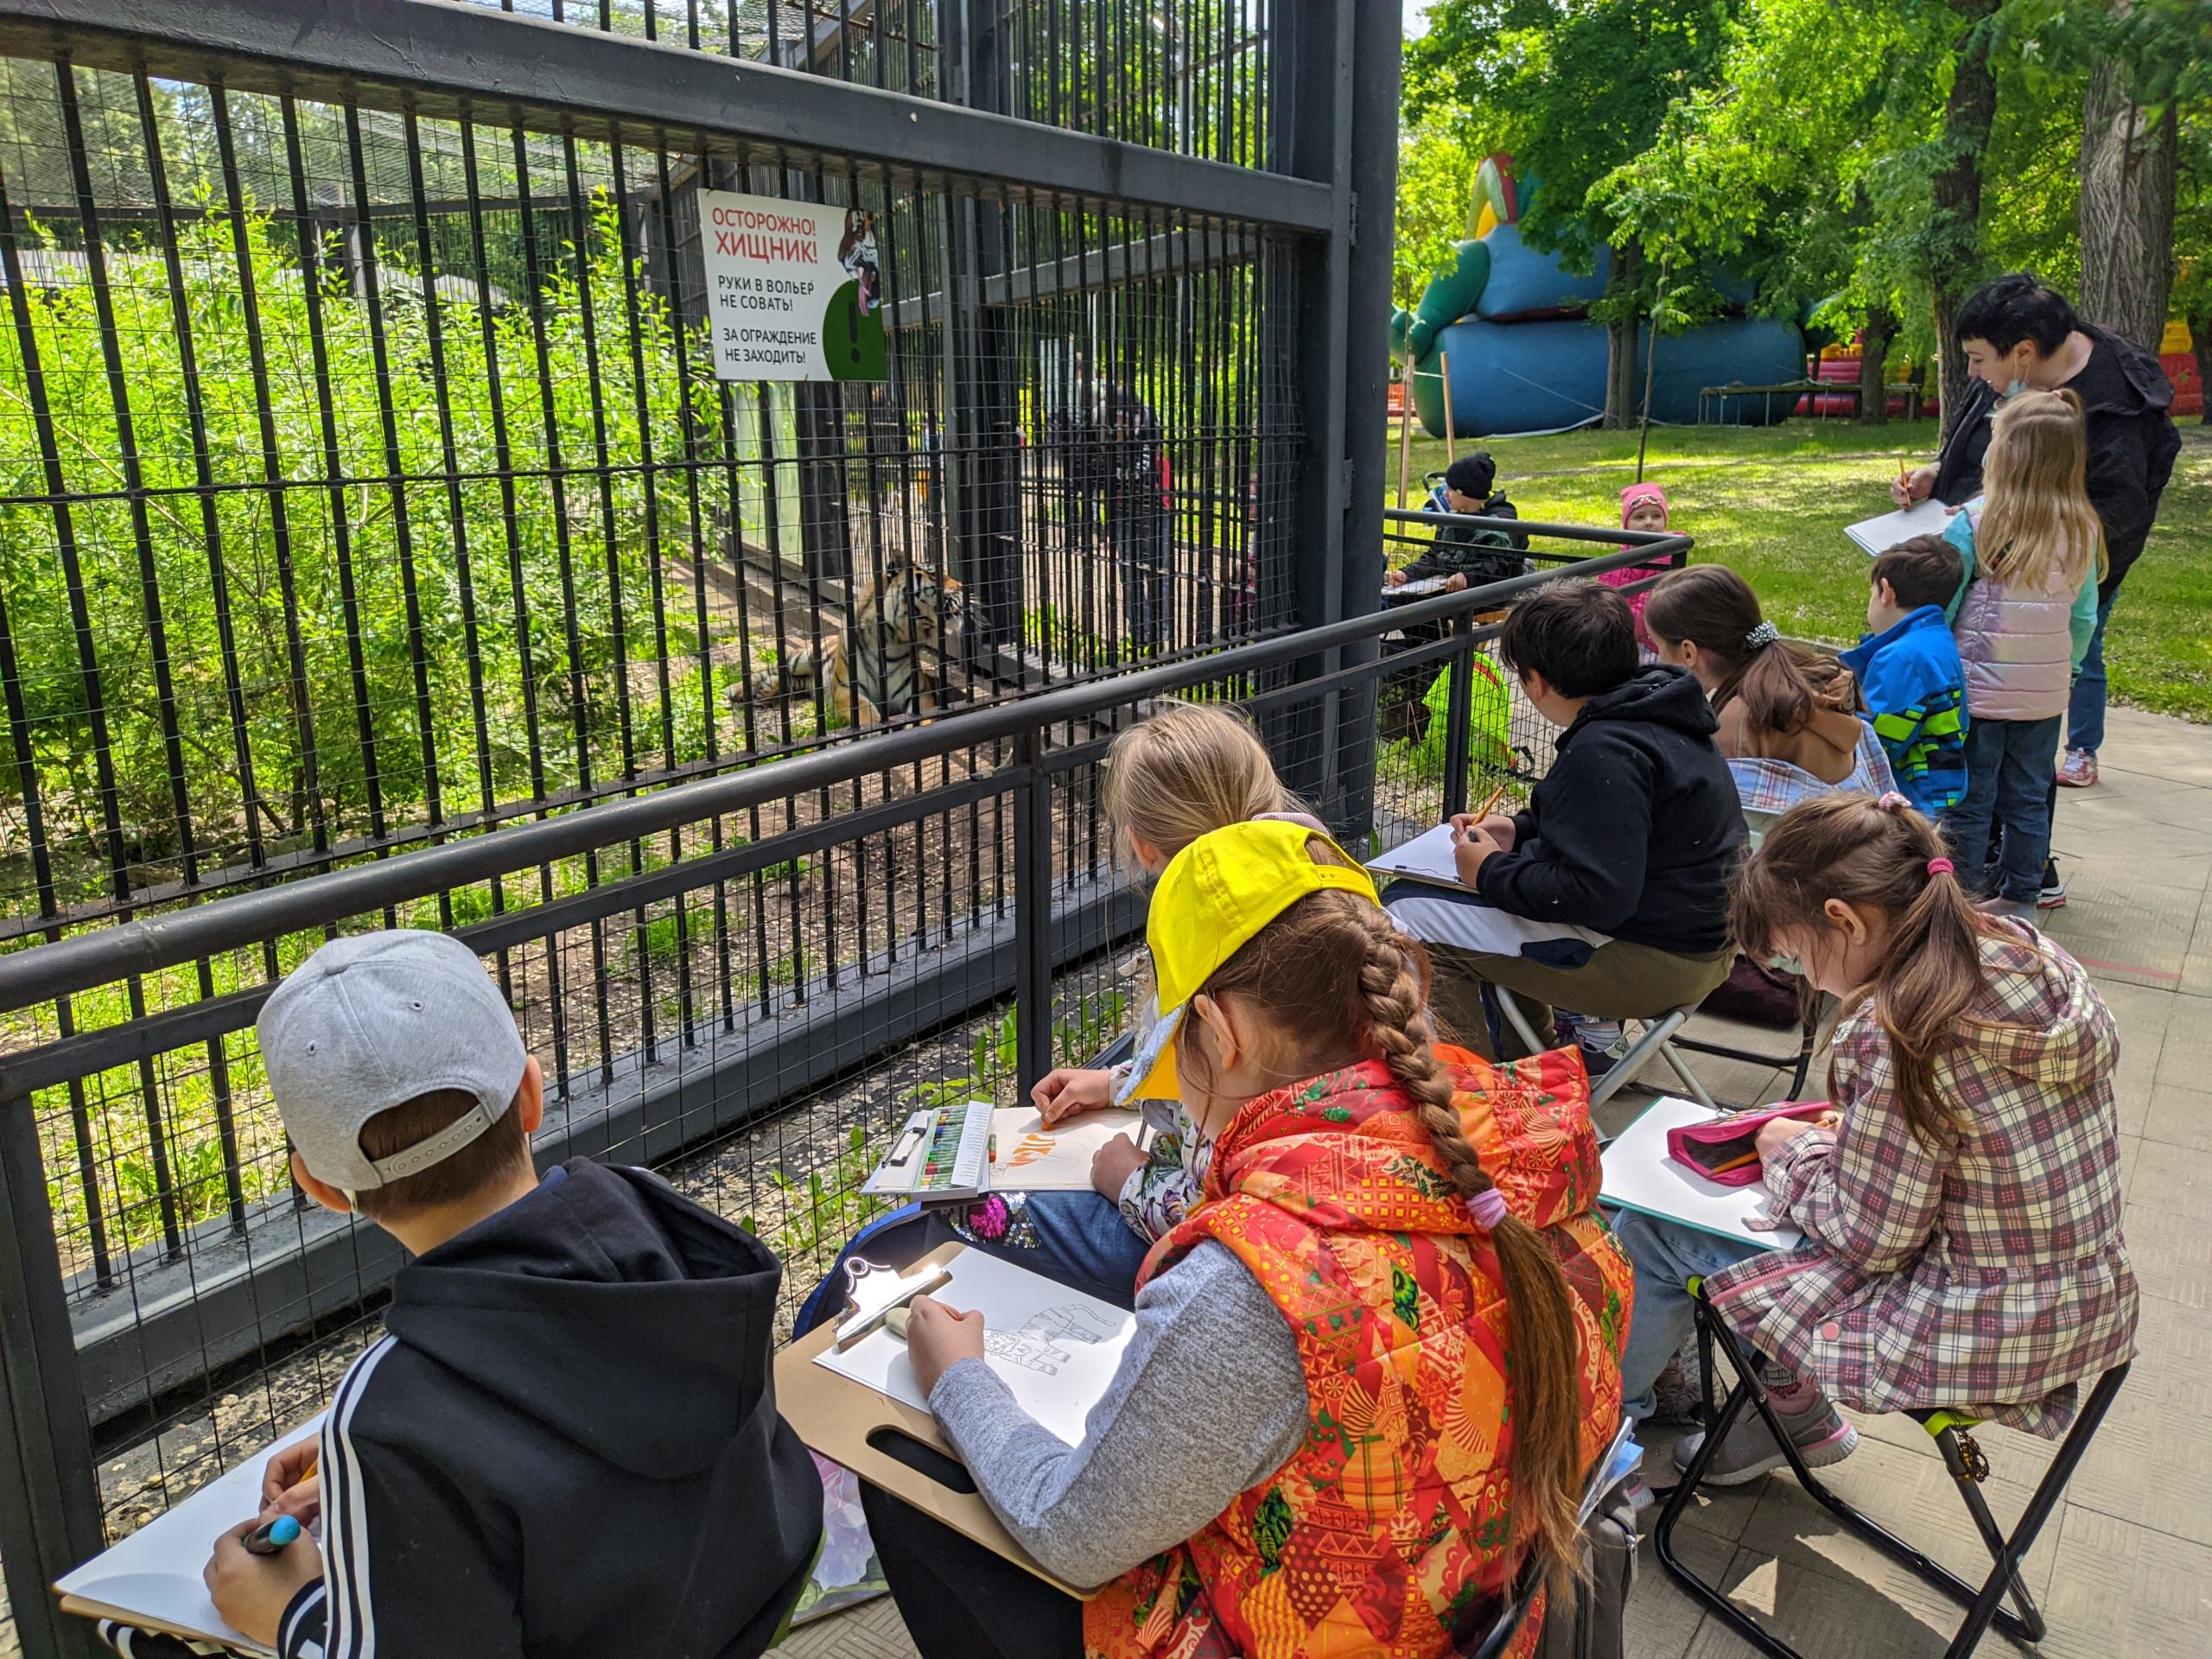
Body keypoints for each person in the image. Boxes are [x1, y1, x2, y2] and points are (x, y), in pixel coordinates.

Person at [863, 819, 1630, 1659]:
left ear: (1219, 1034)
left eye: (1170, 1044)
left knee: (909, 1471)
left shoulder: (1253, 1286)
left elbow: (1069, 1530)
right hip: (1463, 1604)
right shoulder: (1534, 1160)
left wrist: (961, 1377)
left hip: (1283, 1630)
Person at [196, 931, 820, 1659]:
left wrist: (294, 1611)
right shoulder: (664, 1225)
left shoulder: (395, 1408)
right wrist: (388, 1480)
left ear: (321, 1189)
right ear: (531, 1094)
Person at [1613, 792, 2138, 1485]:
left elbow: (1871, 1236)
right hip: (2084, 1301)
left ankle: (1594, 1425)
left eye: (1798, 961)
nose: (1805, 981)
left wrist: (1789, 1153)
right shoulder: (2023, 957)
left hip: (1976, 1326)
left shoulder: (1902, 1032)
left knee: (1653, 1232)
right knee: (1769, 1238)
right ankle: (1786, 1404)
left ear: (1845, 921)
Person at [1383, 580, 1743, 1070]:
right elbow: (1618, 826)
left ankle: (1479, 1089)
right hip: (1700, 945)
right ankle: (1530, 1060)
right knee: (1438, 906)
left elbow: (1597, 893)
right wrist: (1521, 829)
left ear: (1536, 681)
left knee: (1406, 916)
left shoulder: (1604, 751)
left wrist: (1487, 871)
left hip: (1657, 961)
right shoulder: (1656, 713)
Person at [1891, 274, 2179, 799]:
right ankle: (2010, 853)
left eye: (1980, 360)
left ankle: (2018, 857)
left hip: (2052, 586)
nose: (1974, 373)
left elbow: (2116, 523)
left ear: (2023, 353)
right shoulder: (2012, 372)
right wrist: (1938, 468)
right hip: (1986, 568)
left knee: (2021, 755)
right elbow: (1976, 436)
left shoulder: (2116, 406)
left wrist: (2019, 557)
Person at [1939, 390, 2106, 918]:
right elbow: (2084, 619)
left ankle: (1959, 902)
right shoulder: (2083, 528)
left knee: (1969, 800)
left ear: (2004, 454)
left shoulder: (1973, 522)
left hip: (1978, 692)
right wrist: (2070, 669)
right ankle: (2022, 899)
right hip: (2044, 698)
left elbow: (1943, 603)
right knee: (2029, 799)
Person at [1643, 564, 1893, 798]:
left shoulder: (1737, 723)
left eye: (1659, 647)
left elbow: (1731, 821)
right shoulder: (1815, 674)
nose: (1659, 658)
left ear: (1688, 652)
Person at [1382, 452, 1528, 743]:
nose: (1445, 494)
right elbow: (1436, 556)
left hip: (1483, 596)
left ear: (1465, 493)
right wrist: (1408, 574)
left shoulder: (1501, 522)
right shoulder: (1453, 520)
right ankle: (1424, 664)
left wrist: (1468, 578)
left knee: (1427, 610)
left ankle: (1437, 664)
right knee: (1403, 601)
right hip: (1446, 592)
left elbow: (1500, 566)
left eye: (1450, 489)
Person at [1839, 535, 1969, 816]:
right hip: (1932, 793)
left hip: (1902, 800)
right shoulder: (1937, 639)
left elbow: (1873, 741)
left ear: (1886, 591)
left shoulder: (1903, 657)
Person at [1605, 483, 1676, 651]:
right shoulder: (1618, 560)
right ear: (1626, 523)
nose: (1649, 523)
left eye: (1656, 516)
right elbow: (1605, 594)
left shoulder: (1667, 560)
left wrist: (1611, 623)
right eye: (1640, 517)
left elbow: (1649, 608)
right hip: (1618, 636)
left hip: (1652, 646)